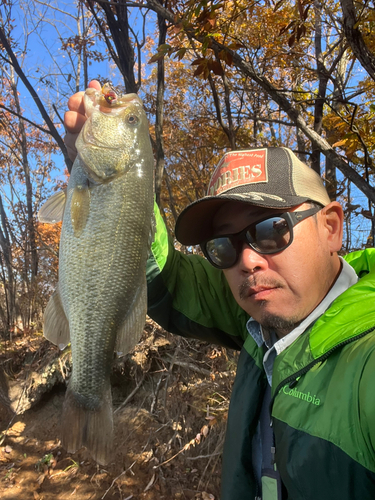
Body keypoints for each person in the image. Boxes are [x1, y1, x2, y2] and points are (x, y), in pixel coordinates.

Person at [65, 82, 375, 500]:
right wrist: (121, 193)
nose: (246, 261)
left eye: (270, 229)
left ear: (331, 228)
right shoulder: (261, 317)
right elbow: (171, 281)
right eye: (223, 246)